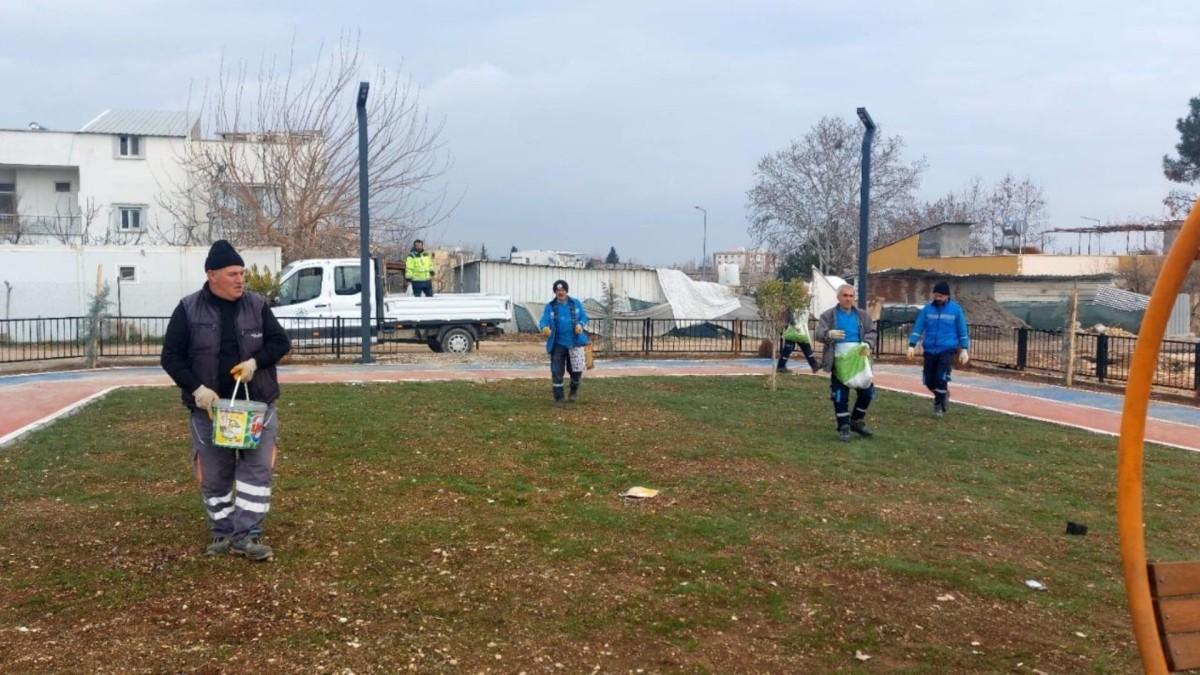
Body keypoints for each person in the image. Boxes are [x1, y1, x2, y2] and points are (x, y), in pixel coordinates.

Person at [160, 240, 291, 561]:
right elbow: (171, 357)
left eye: (242, 273)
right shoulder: (188, 309)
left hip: (256, 407)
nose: (240, 279)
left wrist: (255, 363)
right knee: (215, 473)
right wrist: (196, 389)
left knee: (256, 471)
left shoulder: (257, 305)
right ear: (212, 275)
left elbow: (280, 342)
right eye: (232, 273)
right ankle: (222, 532)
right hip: (209, 411)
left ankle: (248, 535)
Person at [814, 284, 878, 442]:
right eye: (845, 295)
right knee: (840, 394)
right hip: (839, 360)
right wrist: (828, 334)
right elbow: (818, 333)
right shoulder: (828, 316)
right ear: (838, 297)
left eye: (851, 295)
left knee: (867, 392)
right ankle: (843, 426)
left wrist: (867, 344)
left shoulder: (862, 316)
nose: (848, 299)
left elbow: (872, 332)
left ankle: (856, 421)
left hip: (859, 358)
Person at [907, 280, 970, 418]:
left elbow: (962, 330)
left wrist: (964, 348)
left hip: (947, 349)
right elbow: (918, 327)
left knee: (941, 378)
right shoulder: (927, 310)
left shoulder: (956, 310)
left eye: (941, 296)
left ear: (947, 296)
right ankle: (943, 394)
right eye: (936, 295)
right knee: (929, 381)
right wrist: (911, 345)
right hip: (930, 349)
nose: (938, 298)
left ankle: (938, 406)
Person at [538, 279, 590, 404]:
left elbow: (584, 317)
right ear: (555, 292)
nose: (560, 293)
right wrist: (544, 328)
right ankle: (559, 398)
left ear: (566, 291)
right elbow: (543, 320)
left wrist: (581, 324)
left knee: (576, 371)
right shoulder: (550, 306)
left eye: (562, 290)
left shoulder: (575, 303)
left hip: (575, 343)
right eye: (557, 290)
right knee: (557, 371)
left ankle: (573, 391)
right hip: (558, 344)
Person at [776, 307, 819, 374]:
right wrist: (794, 324)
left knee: (806, 347)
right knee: (789, 349)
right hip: (794, 330)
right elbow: (789, 314)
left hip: (800, 330)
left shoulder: (802, 305)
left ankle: (814, 365)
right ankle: (781, 367)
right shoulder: (793, 303)